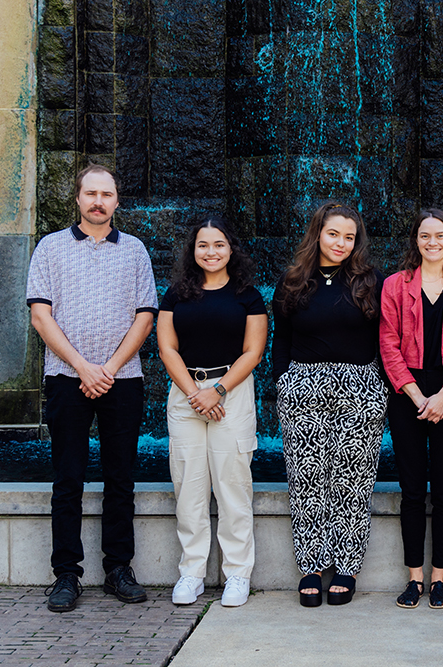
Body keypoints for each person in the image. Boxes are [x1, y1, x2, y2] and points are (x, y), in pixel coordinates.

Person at [26, 164, 158, 612]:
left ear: (117, 201)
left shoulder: (136, 250)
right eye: (91, 193)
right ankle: (66, 574)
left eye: (107, 194)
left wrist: (109, 368)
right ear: (78, 199)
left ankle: (118, 568)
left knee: (121, 478)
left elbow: (145, 316)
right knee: (68, 478)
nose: (99, 201)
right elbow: (41, 315)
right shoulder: (50, 248)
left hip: (124, 381)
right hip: (66, 378)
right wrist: (83, 367)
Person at [273, 202, 388, 607]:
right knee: (306, 478)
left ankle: (346, 566)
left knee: (352, 481)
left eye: (349, 237)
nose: (341, 243)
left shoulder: (372, 281)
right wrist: (283, 381)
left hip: (359, 386)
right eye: (333, 234)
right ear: (318, 233)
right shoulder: (292, 280)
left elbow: (386, 338)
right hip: (302, 384)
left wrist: (379, 386)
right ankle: (311, 566)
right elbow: (281, 339)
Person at [157, 216, 267, 608]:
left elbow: (253, 351)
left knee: (232, 482)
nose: (211, 252)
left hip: (231, 392)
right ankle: (192, 572)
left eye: (218, 244)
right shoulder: (175, 295)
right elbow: (167, 348)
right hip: (186, 392)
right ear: (193, 250)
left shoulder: (248, 295)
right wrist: (194, 392)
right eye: (203, 245)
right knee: (188, 485)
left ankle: (237, 574)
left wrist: (217, 390)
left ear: (230, 249)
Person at [380, 209, 443, 610]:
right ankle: (413, 579)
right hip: (406, 398)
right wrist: (417, 396)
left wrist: (442, 396)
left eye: (440, 235)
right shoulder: (395, 285)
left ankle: (439, 579)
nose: (433, 242)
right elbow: (388, 344)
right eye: (425, 235)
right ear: (416, 240)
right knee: (410, 491)